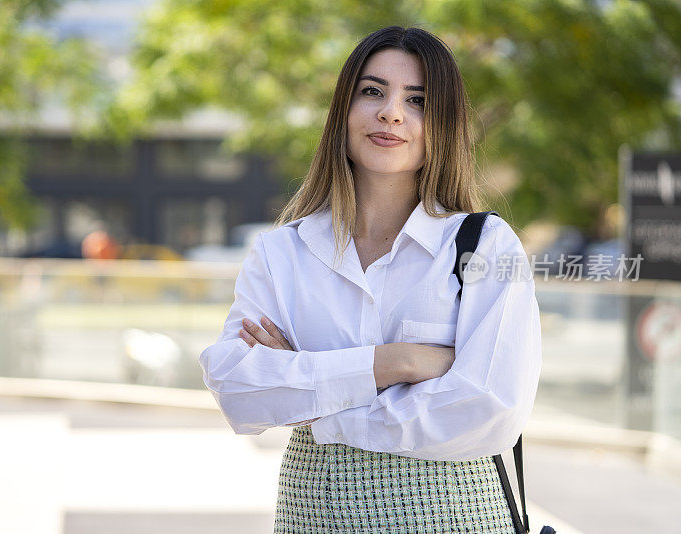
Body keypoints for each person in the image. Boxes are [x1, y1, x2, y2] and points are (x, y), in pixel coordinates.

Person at [199, 25, 542, 533]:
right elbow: (238, 390)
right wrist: (396, 362)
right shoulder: (282, 253)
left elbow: (490, 407)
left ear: (442, 124)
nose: (392, 113)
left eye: (418, 100)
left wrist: (316, 397)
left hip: (454, 518)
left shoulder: (486, 246)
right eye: (372, 92)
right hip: (313, 515)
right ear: (344, 110)